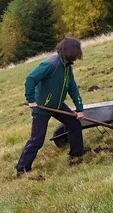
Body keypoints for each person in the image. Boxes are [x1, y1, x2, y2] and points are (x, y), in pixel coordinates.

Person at [16, 37, 86, 176]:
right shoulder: (51, 64)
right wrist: (30, 100)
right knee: (37, 139)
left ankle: (76, 155)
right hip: (42, 107)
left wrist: (79, 109)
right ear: (70, 52)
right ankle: (22, 169)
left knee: (74, 124)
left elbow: (72, 87)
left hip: (57, 105)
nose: (78, 55)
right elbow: (30, 78)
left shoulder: (67, 67)